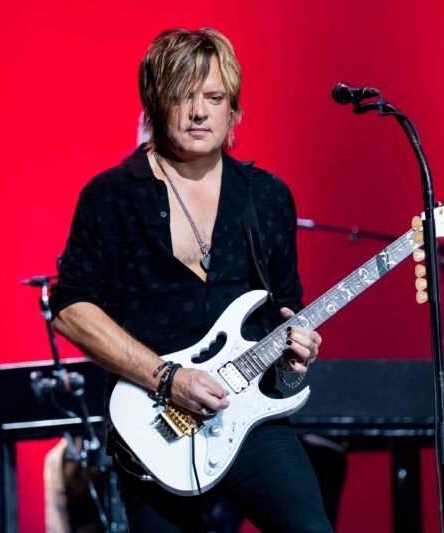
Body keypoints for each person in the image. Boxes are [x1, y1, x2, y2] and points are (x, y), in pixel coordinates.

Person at [50, 28, 333, 532]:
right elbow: (71, 310)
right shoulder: (111, 197)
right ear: (154, 104)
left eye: (214, 98)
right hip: (156, 423)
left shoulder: (268, 197)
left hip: (250, 423)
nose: (199, 112)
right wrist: (167, 378)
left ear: (234, 111)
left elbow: (284, 315)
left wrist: (294, 362)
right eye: (183, 96)